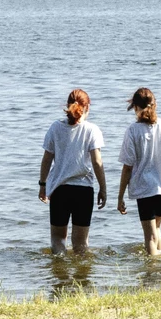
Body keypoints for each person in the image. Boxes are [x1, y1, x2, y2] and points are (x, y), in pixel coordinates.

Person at [116, 88, 161, 255]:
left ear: (135, 107)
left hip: (145, 189)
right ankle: (160, 265)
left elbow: (128, 167)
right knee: (156, 228)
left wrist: (120, 196)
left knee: (149, 236)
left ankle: (152, 273)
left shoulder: (133, 131)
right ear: (155, 104)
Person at [38, 88, 107, 254]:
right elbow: (97, 162)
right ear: (87, 108)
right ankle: (81, 277)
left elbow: (47, 159)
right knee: (81, 243)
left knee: (57, 240)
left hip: (60, 190)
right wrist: (103, 189)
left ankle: (60, 277)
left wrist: (42, 185)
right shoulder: (92, 130)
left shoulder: (55, 127)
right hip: (83, 191)